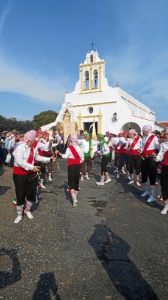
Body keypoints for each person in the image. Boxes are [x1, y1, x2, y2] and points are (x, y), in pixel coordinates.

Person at [13, 130, 56, 224]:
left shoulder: (32, 147)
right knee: (20, 194)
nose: (36, 142)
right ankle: (19, 214)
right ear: (30, 140)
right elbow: (20, 162)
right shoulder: (19, 148)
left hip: (31, 173)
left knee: (32, 193)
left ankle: (27, 210)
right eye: (34, 140)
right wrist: (32, 167)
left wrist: (49, 159)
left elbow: (37, 157)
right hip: (20, 174)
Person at [55, 134, 84, 207]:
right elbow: (82, 158)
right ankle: (75, 198)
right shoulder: (79, 148)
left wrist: (58, 153)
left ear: (71, 140)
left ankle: (74, 199)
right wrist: (77, 162)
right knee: (76, 181)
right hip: (77, 165)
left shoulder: (69, 148)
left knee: (71, 182)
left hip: (71, 166)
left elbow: (65, 156)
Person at [140, 125, 159, 202]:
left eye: (143, 130)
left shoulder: (154, 137)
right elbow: (142, 147)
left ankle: (152, 195)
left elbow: (158, 147)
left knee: (152, 176)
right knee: (144, 175)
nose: (142, 132)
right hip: (144, 158)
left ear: (147, 130)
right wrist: (140, 150)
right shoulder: (143, 137)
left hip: (151, 159)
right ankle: (146, 190)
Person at [152, 128, 168, 214]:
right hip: (166, 167)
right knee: (164, 185)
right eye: (166, 134)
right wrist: (155, 157)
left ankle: (166, 206)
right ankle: (166, 202)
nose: (166, 136)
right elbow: (160, 156)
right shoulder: (164, 144)